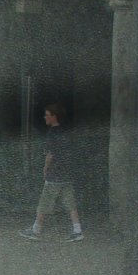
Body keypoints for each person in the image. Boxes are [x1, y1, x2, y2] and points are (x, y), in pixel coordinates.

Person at [20, 103, 82, 242]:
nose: (45, 117)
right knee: (70, 202)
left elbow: (50, 154)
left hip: (55, 173)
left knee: (44, 202)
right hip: (66, 172)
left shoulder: (52, 133)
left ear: (54, 116)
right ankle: (77, 230)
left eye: (47, 114)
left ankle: (36, 230)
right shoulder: (64, 132)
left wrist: (45, 168)